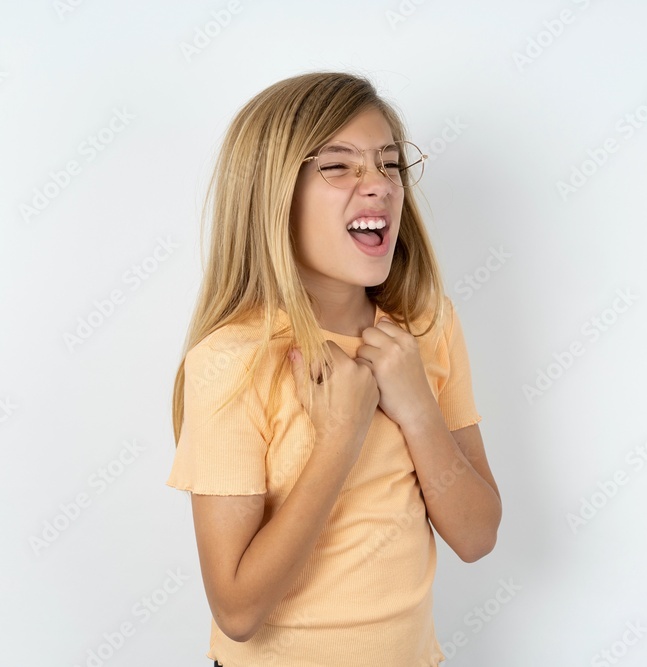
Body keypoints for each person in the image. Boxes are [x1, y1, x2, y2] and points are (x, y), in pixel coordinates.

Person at [167, 71, 501, 666]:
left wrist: (418, 407)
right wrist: (338, 440)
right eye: (339, 165)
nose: (378, 186)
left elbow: (477, 538)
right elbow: (239, 612)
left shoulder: (426, 326)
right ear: (275, 195)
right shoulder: (231, 361)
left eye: (390, 165)